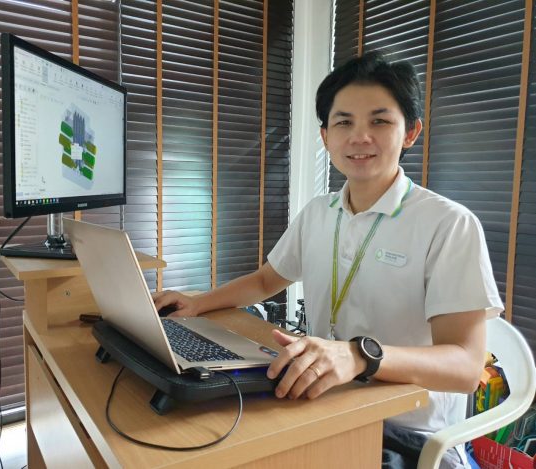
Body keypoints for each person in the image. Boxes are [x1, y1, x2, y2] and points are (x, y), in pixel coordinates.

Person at [154, 51, 503, 468]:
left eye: (379, 121)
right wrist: (197, 303)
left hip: (409, 435)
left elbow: (465, 366)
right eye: (344, 122)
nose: (360, 137)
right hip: (324, 404)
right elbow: (266, 281)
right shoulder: (319, 212)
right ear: (325, 136)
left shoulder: (448, 224)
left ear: (410, 132)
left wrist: (360, 356)